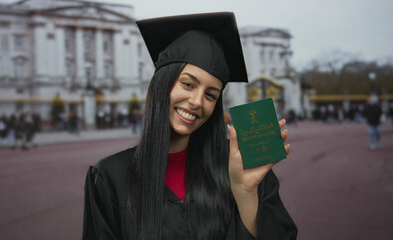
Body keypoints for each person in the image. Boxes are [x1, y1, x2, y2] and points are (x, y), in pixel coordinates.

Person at [82, 12, 297, 240]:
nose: (197, 102)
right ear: (161, 84)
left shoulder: (241, 163)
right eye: (187, 84)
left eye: (211, 95)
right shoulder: (109, 178)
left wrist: (245, 192)